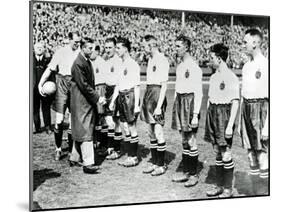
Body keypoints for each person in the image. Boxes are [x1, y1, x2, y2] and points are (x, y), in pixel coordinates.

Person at [38, 32, 81, 161]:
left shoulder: (81, 53)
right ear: (69, 40)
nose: (77, 44)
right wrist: (41, 83)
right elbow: (50, 69)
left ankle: (72, 149)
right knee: (59, 119)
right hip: (62, 84)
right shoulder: (60, 52)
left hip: (75, 84)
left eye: (79, 41)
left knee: (73, 119)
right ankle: (58, 149)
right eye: (75, 41)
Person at [204, 43, 239, 198]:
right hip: (213, 113)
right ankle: (219, 185)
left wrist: (230, 125)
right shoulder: (213, 77)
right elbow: (210, 99)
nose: (210, 60)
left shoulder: (231, 77)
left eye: (211, 58)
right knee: (217, 152)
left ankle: (227, 188)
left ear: (219, 58)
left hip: (224, 115)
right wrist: (208, 118)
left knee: (225, 153)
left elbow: (235, 102)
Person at [69, 37, 106, 174]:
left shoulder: (84, 61)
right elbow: (84, 85)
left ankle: (75, 157)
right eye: (90, 48)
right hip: (82, 101)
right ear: (83, 48)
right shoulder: (79, 63)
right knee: (86, 130)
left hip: (82, 101)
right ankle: (88, 163)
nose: (92, 50)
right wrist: (97, 98)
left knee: (81, 129)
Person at [239, 29, 269, 195]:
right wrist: (239, 121)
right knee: (250, 152)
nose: (243, 45)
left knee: (262, 153)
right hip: (246, 110)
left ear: (256, 43)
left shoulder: (267, 65)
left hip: (261, 110)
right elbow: (243, 94)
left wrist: (267, 126)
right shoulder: (246, 66)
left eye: (245, 42)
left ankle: (264, 193)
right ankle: (255, 193)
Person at [171, 35, 203, 187]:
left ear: (186, 48)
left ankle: (193, 174)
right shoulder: (180, 66)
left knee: (191, 139)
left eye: (178, 46)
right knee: (184, 139)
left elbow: (199, 92)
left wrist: (195, 114)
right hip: (180, 102)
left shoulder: (194, 67)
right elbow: (178, 89)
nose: (175, 49)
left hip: (190, 104)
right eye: (175, 46)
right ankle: (185, 171)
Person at [109, 37, 141, 167]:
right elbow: (118, 84)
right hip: (121, 96)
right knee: (125, 127)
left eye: (118, 48)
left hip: (130, 96)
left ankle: (133, 157)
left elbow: (137, 86)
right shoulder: (120, 64)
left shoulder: (133, 64)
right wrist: (113, 101)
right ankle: (130, 156)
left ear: (125, 48)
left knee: (131, 127)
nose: (116, 50)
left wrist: (137, 105)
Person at [140, 35, 169, 176]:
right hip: (149, 93)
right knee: (150, 132)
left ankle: (161, 165)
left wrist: (159, 106)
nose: (143, 48)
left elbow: (164, 85)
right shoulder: (150, 59)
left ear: (151, 45)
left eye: (144, 46)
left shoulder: (162, 59)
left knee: (158, 131)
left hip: (157, 96)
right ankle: (154, 162)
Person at [103, 38, 128, 160]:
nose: (108, 50)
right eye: (106, 47)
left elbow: (119, 81)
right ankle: (110, 147)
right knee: (109, 121)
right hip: (107, 91)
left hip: (116, 92)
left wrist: (114, 97)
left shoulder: (119, 61)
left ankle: (116, 150)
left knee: (116, 121)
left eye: (110, 47)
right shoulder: (106, 61)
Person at [90, 45, 107, 151]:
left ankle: (101, 141)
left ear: (97, 52)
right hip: (92, 89)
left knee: (100, 116)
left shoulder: (102, 63)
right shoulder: (89, 61)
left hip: (100, 88)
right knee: (93, 116)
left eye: (92, 51)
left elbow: (104, 81)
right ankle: (94, 140)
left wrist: (103, 95)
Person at [33, 42, 52, 134]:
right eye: (37, 47)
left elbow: (51, 73)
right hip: (33, 89)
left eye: (41, 47)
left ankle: (48, 127)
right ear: (34, 49)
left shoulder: (48, 59)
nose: (39, 49)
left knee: (46, 107)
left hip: (45, 88)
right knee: (34, 108)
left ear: (44, 49)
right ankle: (37, 127)